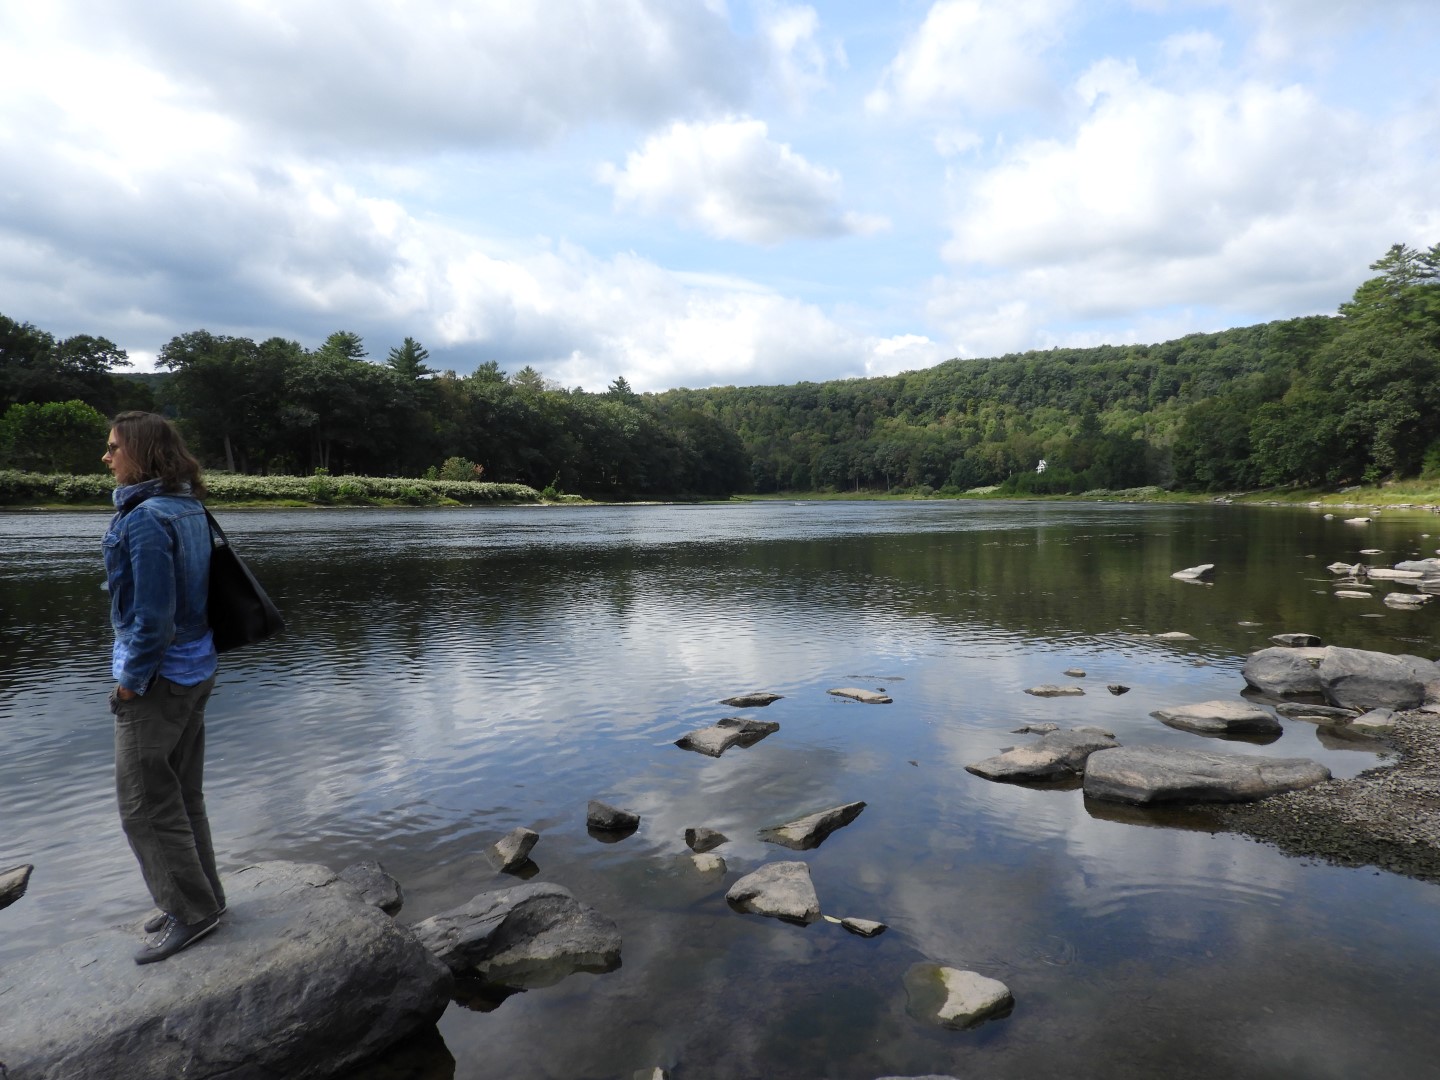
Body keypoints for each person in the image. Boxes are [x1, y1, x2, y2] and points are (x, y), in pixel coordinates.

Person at [101, 411, 225, 964]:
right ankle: (206, 899)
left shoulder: (146, 518)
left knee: (145, 805)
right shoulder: (188, 506)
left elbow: (153, 618)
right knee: (183, 794)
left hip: (160, 679)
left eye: (113, 448)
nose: (106, 458)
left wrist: (130, 685)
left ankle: (191, 913)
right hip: (197, 669)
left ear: (143, 454)